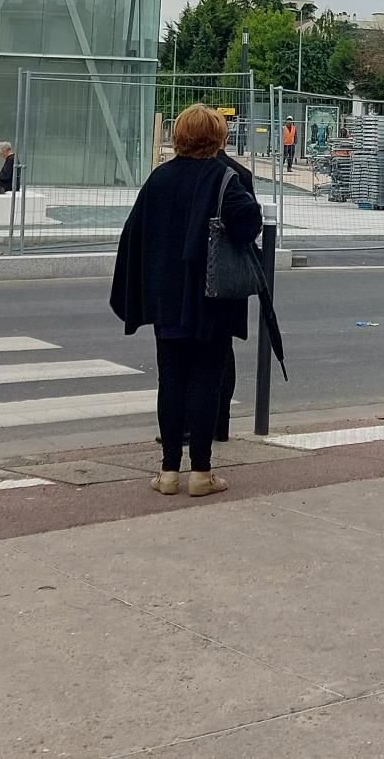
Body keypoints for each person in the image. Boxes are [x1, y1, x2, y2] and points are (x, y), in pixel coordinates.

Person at [110, 103, 266, 497]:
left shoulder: (158, 179)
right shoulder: (225, 178)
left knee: (172, 379)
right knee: (206, 380)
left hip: (166, 298)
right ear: (218, 137)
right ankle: (201, 472)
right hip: (211, 298)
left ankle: (167, 473)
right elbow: (249, 225)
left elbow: (134, 235)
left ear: (178, 136)